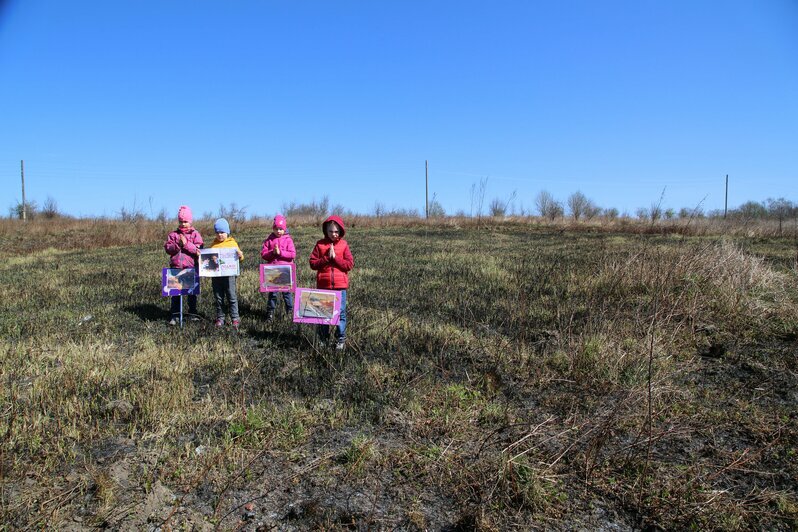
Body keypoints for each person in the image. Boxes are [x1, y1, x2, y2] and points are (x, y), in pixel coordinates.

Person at [309, 215, 354, 349]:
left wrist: (335, 259)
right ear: (326, 231)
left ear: (340, 231)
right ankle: (323, 339)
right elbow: (313, 263)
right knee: (323, 313)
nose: (333, 234)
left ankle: (340, 339)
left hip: (340, 287)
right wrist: (326, 259)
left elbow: (349, 265)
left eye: (336, 231)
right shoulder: (320, 244)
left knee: (340, 313)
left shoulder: (344, 245)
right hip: (324, 285)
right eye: (331, 231)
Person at [164, 205, 203, 325]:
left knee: (191, 294)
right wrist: (178, 245)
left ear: (190, 221)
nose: (183, 224)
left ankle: (192, 313)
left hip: (191, 268)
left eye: (185, 221)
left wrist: (186, 244)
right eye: (181, 221)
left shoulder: (195, 234)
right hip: (176, 269)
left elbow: (198, 250)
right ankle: (175, 315)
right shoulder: (173, 235)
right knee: (175, 294)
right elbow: (168, 248)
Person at [208, 218, 244, 329]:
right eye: (217, 232)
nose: (220, 235)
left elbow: (240, 258)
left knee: (231, 296)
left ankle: (235, 318)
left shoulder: (232, 243)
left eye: (222, 232)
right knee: (218, 297)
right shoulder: (213, 245)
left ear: (227, 232)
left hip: (229, 276)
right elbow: (209, 260)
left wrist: (240, 255)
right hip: (216, 277)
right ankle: (220, 318)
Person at [260, 214, 296, 320]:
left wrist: (280, 253)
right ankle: (270, 313)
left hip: (285, 272)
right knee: (273, 294)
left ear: (284, 229)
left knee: (287, 294)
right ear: (273, 228)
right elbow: (264, 254)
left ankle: (290, 312)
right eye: (276, 229)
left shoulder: (288, 240)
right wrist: (273, 252)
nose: (278, 231)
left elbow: (292, 254)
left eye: (281, 229)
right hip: (273, 272)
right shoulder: (269, 240)